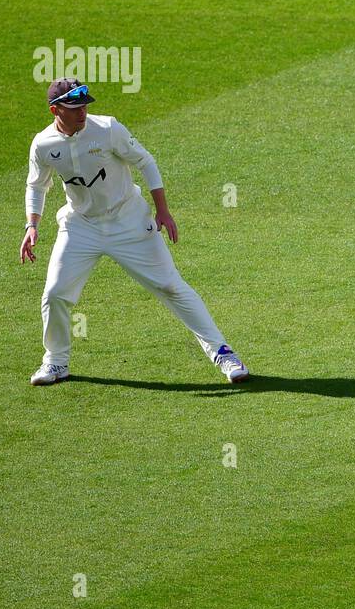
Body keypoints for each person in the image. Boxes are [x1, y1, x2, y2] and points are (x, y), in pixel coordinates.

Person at [20, 78, 248, 385]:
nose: (82, 112)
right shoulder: (44, 144)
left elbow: (145, 161)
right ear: (54, 110)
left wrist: (162, 210)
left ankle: (222, 353)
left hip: (128, 220)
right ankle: (56, 363)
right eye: (74, 107)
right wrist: (32, 225)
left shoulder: (108, 129)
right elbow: (37, 185)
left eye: (85, 105)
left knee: (170, 286)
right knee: (55, 293)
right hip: (80, 226)